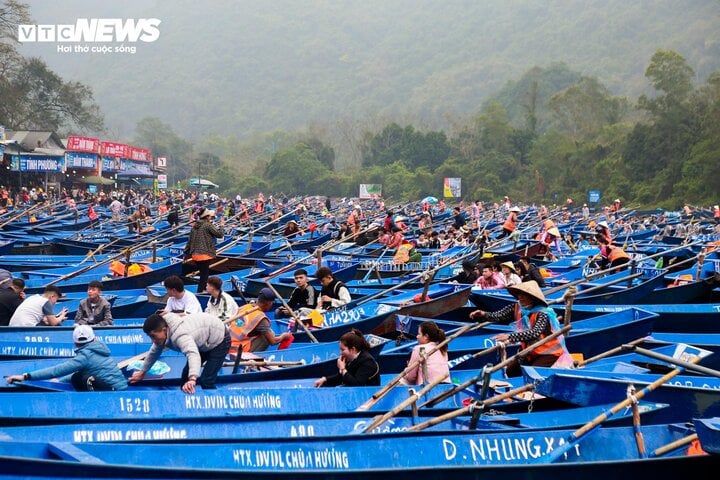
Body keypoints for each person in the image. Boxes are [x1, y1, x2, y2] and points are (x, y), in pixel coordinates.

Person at [469, 281, 572, 377]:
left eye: (524, 295)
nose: (520, 298)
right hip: (529, 351)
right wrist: (483, 314)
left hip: (548, 353)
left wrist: (510, 336)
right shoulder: (517, 307)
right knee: (511, 371)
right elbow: (499, 315)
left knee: (532, 374)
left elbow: (535, 333)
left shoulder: (542, 313)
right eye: (519, 295)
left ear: (532, 297)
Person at [129, 311, 230, 393]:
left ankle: (211, 410)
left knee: (206, 380)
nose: (152, 340)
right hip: (203, 340)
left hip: (220, 339)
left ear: (164, 330)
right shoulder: (163, 333)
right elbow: (153, 353)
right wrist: (142, 373)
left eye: (153, 336)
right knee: (185, 376)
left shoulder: (181, 336)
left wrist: (193, 379)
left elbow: (193, 354)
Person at [5, 325, 127, 391]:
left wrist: (25, 376)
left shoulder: (84, 356)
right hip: (119, 386)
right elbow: (77, 371)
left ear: (75, 343)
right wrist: (60, 381)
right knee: (77, 376)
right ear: (94, 339)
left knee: (80, 378)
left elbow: (57, 370)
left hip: (114, 391)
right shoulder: (99, 349)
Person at [227, 288, 292, 355]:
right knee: (268, 335)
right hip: (239, 352)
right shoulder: (260, 318)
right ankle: (253, 359)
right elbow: (273, 341)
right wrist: (284, 336)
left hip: (228, 346)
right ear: (269, 303)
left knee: (263, 331)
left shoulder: (245, 307)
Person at [313, 329, 380, 387]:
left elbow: (357, 385)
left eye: (343, 350)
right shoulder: (350, 359)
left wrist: (343, 369)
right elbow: (340, 378)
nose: (340, 353)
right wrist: (325, 379)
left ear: (352, 349)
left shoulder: (367, 362)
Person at [184, 207, 225, 293]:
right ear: (206, 217)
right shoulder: (207, 225)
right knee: (204, 275)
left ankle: (201, 290)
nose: (211, 217)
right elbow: (220, 234)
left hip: (195, 255)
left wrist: (186, 253)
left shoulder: (195, 226)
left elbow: (189, 241)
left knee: (203, 274)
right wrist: (222, 225)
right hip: (204, 255)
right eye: (210, 216)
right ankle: (201, 291)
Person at [400, 321, 451, 385]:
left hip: (427, 386)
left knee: (402, 381)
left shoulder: (421, 348)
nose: (417, 336)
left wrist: (407, 368)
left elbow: (410, 377)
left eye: (419, 334)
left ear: (426, 336)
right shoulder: (442, 348)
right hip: (446, 385)